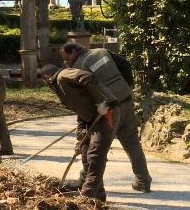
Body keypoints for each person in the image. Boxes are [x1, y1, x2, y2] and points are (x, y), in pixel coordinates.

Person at [60, 43, 152, 192]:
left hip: (109, 107)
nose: (66, 62)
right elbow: (125, 66)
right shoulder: (103, 51)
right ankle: (143, 180)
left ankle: (88, 183)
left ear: (74, 51)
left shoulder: (79, 66)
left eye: (67, 58)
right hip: (126, 99)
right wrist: (127, 88)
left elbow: (87, 93)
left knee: (97, 147)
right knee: (132, 143)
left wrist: (92, 115)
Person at [40, 64, 119, 202]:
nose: (45, 84)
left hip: (106, 114)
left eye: (43, 81)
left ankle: (86, 197)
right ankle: (99, 195)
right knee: (84, 152)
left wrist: (103, 102)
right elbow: (80, 110)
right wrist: (80, 137)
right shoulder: (60, 87)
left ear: (46, 77)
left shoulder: (63, 76)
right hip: (92, 119)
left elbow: (88, 76)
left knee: (95, 156)